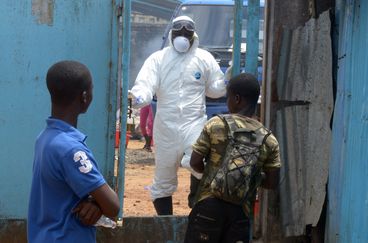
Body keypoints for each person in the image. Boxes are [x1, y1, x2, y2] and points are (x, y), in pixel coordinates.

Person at [129, 15, 227, 215]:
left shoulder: (204, 58)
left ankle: (197, 215)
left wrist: (228, 78)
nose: (183, 35)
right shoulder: (158, 59)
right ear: (172, 33)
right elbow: (146, 84)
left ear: (193, 35)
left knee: (198, 164)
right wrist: (138, 96)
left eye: (187, 32)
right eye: (179, 31)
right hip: (166, 126)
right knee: (163, 178)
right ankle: (166, 221)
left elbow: (215, 91)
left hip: (195, 124)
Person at [27, 61, 120, 243]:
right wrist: (100, 203)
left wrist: (95, 203)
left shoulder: (45, 138)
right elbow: (113, 206)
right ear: (84, 97)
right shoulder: (71, 150)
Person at [184, 73, 281, 243]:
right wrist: (249, 177)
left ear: (236, 98)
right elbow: (272, 183)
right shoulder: (269, 139)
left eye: (228, 97)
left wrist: (215, 172)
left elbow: (195, 162)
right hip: (240, 212)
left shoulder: (216, 125)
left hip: (208, 207)